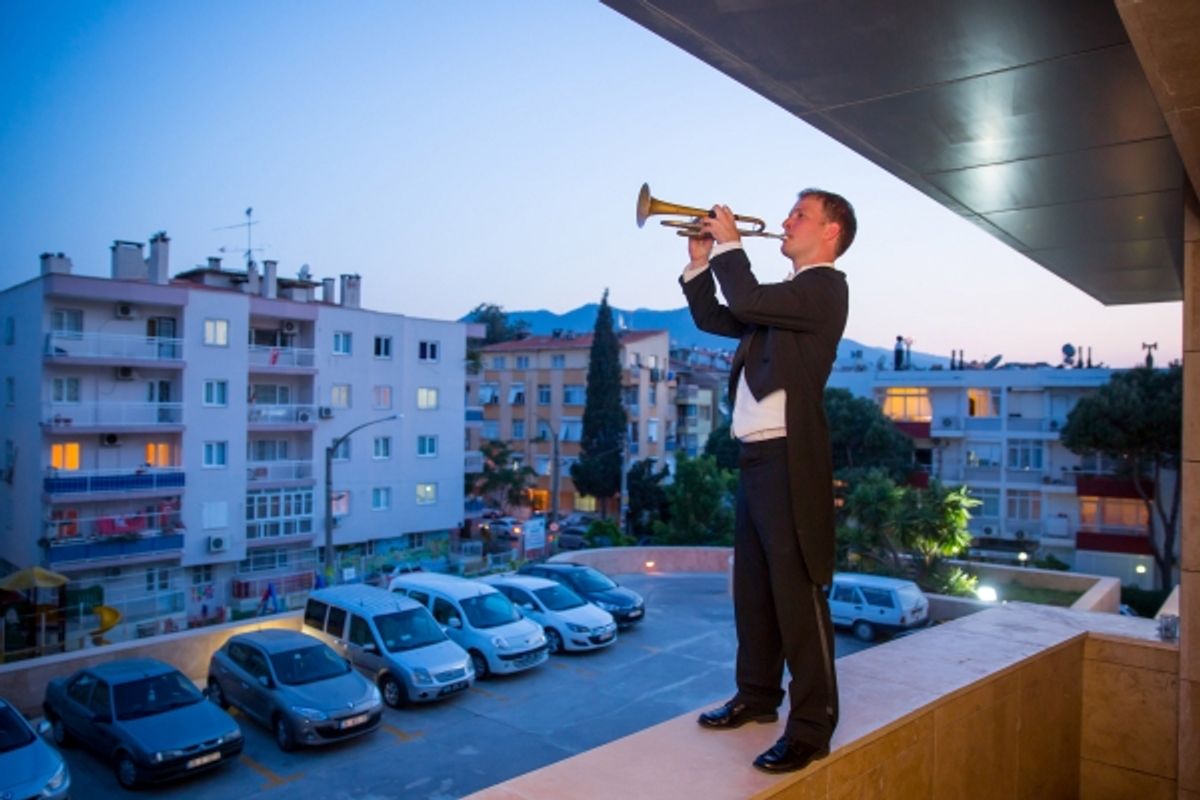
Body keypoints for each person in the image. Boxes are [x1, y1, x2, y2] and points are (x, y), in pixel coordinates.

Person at [680, 188, 855, 773]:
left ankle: (811, 727)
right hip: (754, 456)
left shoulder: (825, 288)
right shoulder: (783, 302)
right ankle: (757, 698)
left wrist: (730, 243)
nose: (784, 221)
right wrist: (702, 262)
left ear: (831, 232)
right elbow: (718, 315)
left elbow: (748, 294)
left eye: (799, 215)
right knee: (753, 590)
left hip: (789, 457)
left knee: (798, 593)